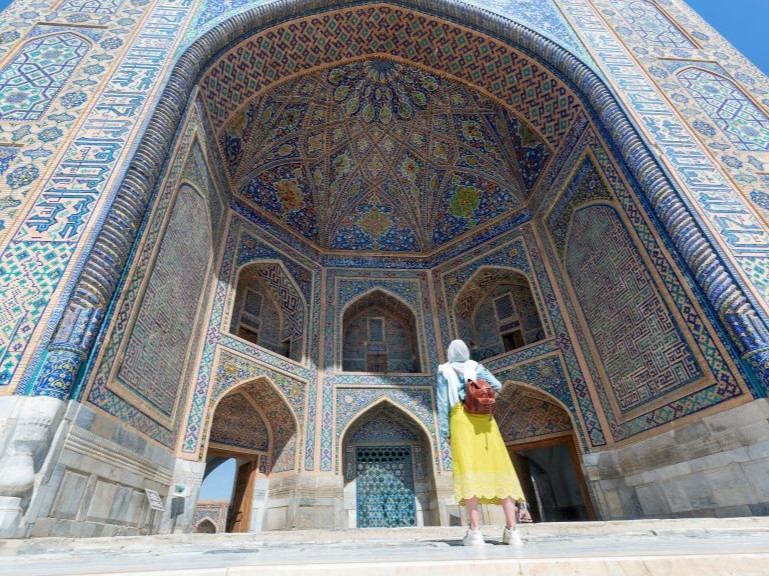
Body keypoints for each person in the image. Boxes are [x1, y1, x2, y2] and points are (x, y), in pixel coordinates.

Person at [436, 339, 527, 546]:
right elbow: (496, 386)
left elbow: (442, 404)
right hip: (485, 421)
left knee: (469, 471)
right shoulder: (476, 366)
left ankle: (475, 532)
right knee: (500, 468)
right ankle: (512, 531)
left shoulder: (444, 370)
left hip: (460, 420)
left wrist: (445, 433)